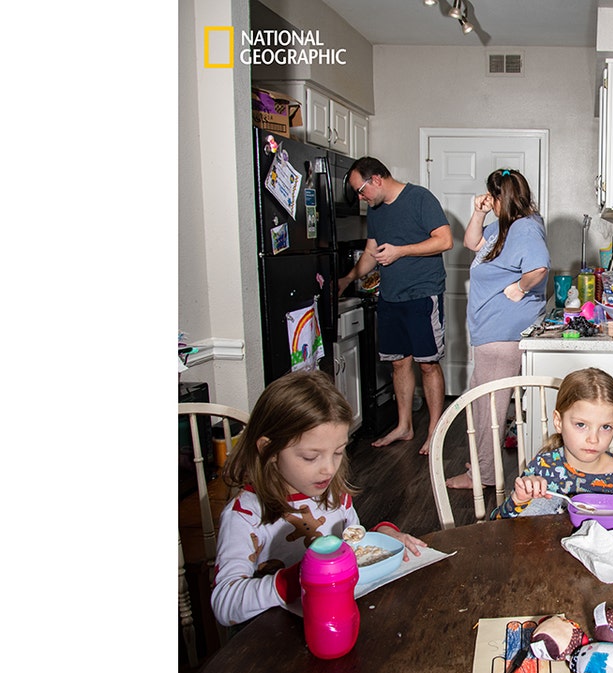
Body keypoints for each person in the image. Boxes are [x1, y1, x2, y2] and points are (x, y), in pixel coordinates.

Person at [210, 370, 427, 628]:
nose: (329, 469)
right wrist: (290, 581)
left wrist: (380, 536)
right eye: (311, 457)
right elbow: (224, 604)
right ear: (269, 449)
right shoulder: (245, 516)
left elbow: (350, 548)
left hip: (338, 621)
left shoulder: (335, 494)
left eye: (338, 452)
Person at [338, 157, 453, 455]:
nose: (361, 198)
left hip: (423, 295)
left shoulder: (420, 198)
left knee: (427, 364)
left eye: (361, 190)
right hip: (390, 297)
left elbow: (444, 240)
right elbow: (370, 253)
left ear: (376, 178)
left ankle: (434, 431)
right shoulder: (375, 212)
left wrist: (401, 251)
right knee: (398, 362)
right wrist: (348, 278)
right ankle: (404, 426)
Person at [445, 168, 549, 490]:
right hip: (492, 333)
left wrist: (519, 286)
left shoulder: (524, 229)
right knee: (484, 406)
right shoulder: (506, 227)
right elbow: (472, 241)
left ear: (501, 197)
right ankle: (482, 463)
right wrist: (478, 212)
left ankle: (484, 476)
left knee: (488, 410)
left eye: (492, 197)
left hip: (502, 337)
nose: (489, 201)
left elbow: (539, 267)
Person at [489, 367, 613, 518]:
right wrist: (519, 500)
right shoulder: (542, 468)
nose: (593, 439)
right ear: (559, 422)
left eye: (606, 427)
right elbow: (497, 523)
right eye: (581, 425)